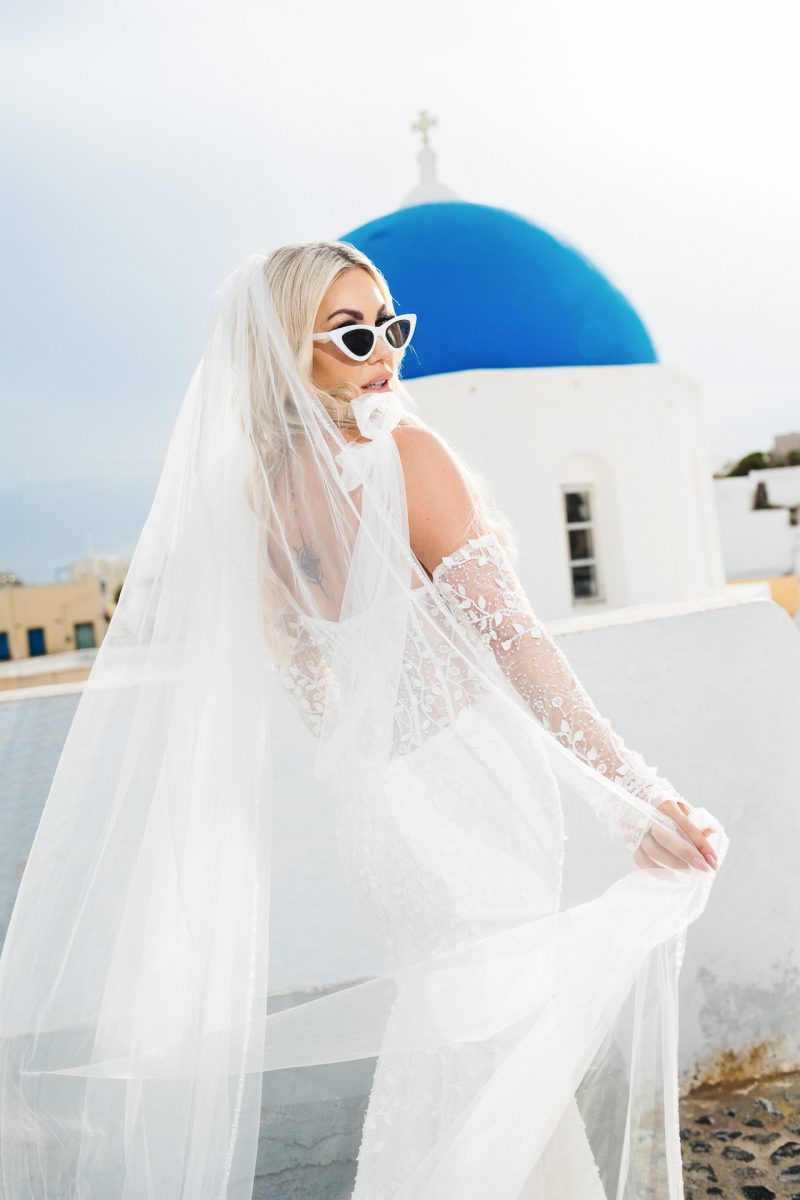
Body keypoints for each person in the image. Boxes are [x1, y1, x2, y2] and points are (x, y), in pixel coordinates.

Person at [0, 241, 728, 1199]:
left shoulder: (259, 497)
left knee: (453, 1045)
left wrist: (376, 781)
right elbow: (520, 649)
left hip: (379, 815)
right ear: (288, 354)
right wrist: (636, 796)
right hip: (476, 790)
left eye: (392, 326)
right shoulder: (401, 451)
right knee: (501, 1061)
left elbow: (311, 682)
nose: (383, 352)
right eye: (351, 334)